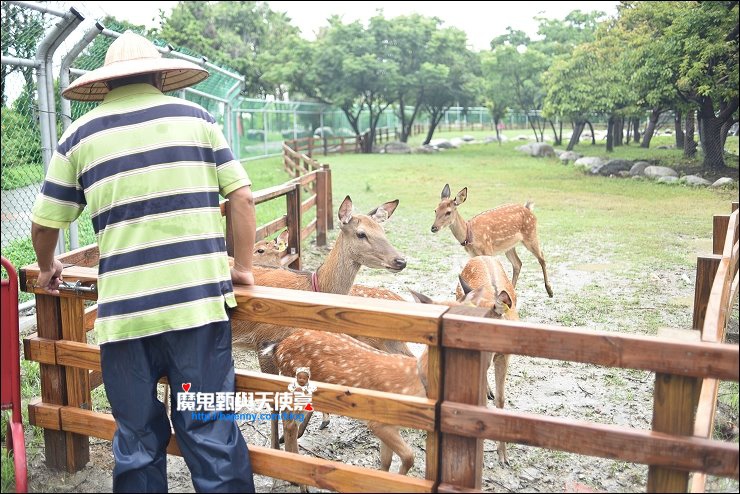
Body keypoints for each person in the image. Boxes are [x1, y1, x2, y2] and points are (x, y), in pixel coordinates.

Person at [30, 30, 256, 493]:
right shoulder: (199, 119)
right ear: (159, 75)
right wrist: (243, 267)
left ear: (107, 83)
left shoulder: (79, 135)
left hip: (125, 317)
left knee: (135, 441)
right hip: (197, 310)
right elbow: (243, 198)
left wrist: (49, 265)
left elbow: (43, 223)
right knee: (210, 431)